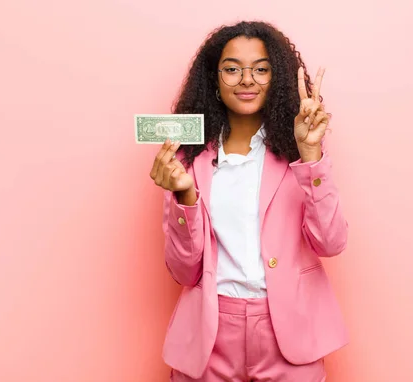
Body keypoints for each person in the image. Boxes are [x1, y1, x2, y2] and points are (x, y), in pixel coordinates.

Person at [149, 20, 349, 382]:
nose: (247, 80)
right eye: (232, 69)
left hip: (290, 334)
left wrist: (311, 155)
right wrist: (184, 197)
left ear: (278, 79)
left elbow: (331, 242)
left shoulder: (298, 153)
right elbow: (184, 271)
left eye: (261, 69)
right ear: (214, 77)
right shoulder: (188, 158)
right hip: (209, 339)